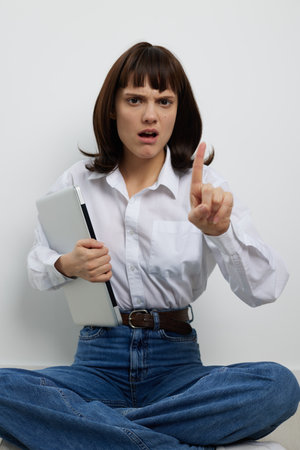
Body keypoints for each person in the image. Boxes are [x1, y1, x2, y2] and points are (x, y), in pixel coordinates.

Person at [0, 42, 299, 450]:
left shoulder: (205, 189)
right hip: (96, 364)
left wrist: (221, 231)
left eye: (164, 100)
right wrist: (67, 265)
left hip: (176, 369)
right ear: (112, 108)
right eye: (135, 99)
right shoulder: (77, 181)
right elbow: (37, 266)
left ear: (179, 111)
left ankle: (107, 429)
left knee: (278, 385)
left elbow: (266, 288)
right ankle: (157, 441)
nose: (150, 115)